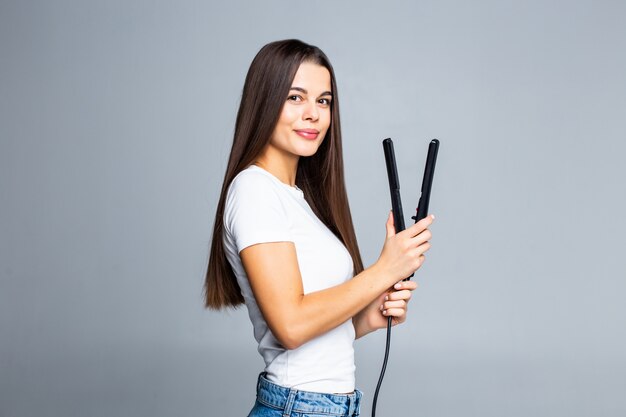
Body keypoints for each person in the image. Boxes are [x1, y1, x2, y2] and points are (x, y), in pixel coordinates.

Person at [204, 39, 434, 417]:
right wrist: (383, 271)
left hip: (331, 407)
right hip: (297, 408)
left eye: (323, 101)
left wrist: (368, 318)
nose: (313, 114)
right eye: (296, 97)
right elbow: (291, 326)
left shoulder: (298, 199)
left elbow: (314, 334)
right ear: (264, 101)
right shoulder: (254, 190)